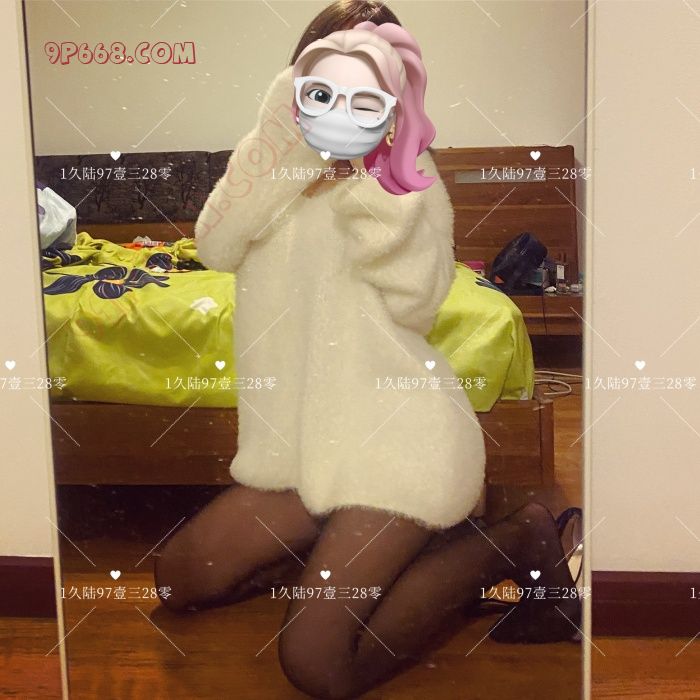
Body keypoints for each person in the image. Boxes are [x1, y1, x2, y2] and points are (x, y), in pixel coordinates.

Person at [154, 3, 581, 698]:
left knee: (316, 664)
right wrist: (282, 145)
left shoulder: (406, 175)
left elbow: (419, 303)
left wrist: (370, 183)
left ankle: (518, 539)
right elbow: (215, 245)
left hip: (400, 443)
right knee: (178, 580)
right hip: (305, 454)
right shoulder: (270, 165)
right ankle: (364, 549)